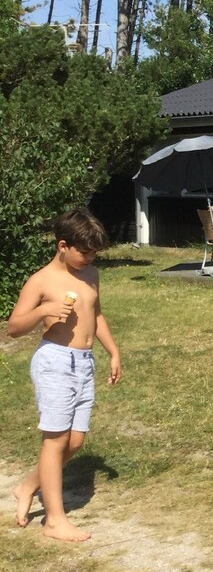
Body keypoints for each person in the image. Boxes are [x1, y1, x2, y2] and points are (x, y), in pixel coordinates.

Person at [7, 208, 122, 542]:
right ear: (62, 245)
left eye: (93, 253)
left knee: (75, 441)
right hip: (55, 362)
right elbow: (14, 327)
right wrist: (44, 310)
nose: (89, 258)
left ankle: (28, 486)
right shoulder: (41, 281)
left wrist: (113, 351)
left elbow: (96, 315)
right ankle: (54, 521)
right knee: (55, 440)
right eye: (84, 252)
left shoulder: (90, 275)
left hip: (84, 362)